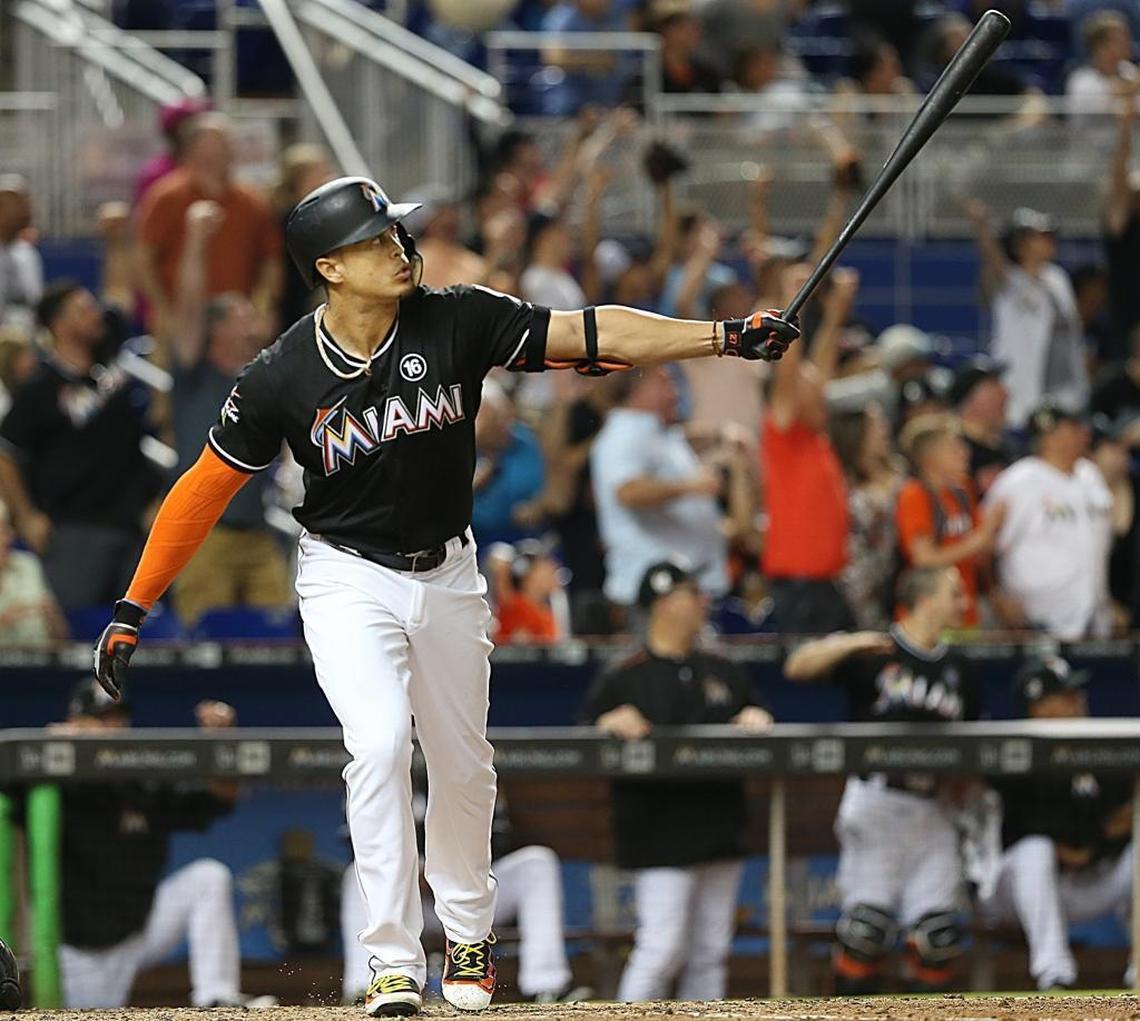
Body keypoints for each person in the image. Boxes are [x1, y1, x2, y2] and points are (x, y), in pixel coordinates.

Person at [91, 174, 799, 1017]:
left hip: (450, 571)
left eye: (395, 232)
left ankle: (467, 930)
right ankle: (392, 961)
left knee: (464, 765)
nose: (397, 247)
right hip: (347, 573)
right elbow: (202, 489)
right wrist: (134, 605)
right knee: (382, 742)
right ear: (329, 267)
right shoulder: (282, 371)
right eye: (375, 239)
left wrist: (721, 336)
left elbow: (587, 332)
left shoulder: (454, 314)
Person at [582, 560, 773, 1001]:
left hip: (719, 825)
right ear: (663, 605)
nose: (701, 602)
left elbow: (756, 713)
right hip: (658, 833)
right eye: (690, 594)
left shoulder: (721, 670)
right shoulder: (625, 673)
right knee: (661, 949)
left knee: (709, 952)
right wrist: (608, 722)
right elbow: (588, 731)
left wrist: (753, 716)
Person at [784, 566, 979, 995]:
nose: (963, 603)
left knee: (938, 939)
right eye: (954, 593)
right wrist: (853, 641)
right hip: (877, 800)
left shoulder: (959, 668)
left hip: (933, 808)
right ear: (925, 599)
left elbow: (972, 748)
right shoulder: (876, 653)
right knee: (865, 933)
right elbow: (797, 667)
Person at [50, 679, 249, 1008]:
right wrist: (51, 749)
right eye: (101, 719)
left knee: (208, 878)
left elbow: (220, 799)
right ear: (75, 724)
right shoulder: (53, 781)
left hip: (140, 927)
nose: (112, 728)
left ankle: (216, 997)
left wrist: (221, 745)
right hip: (78, 948)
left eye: (118, 718)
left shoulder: (140, 782)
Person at [342, 781, 589, 1004]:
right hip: (410, 903)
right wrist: (416, 871)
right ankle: (362, 985)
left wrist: (450, 874)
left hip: (471, 897)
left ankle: (546, 984)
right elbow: (360, 845)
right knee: (356, 874)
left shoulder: (466, 757)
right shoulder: (379, 757)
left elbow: (499, 839)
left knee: (537, 862)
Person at [0, 281, 161, 609]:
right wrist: (26, 516)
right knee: (74, 638)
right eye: (83, 310)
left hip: (135, 526)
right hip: (74, 531)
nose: (95, 315)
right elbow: (6, 452)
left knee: (134, 631)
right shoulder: (39, 389)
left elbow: (123, 295)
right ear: (59, 324)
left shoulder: (112, 366)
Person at [167, 199, 291, 625]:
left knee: (280, 638)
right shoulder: (194, 372)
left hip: (257, 530)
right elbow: (187, 304)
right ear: (215, 328)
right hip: (204, 532)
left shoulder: (263, 378)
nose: (253, 321)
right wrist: (197, 242)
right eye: (242, 315)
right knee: (200, 641)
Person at [979, 656, 1133, 991]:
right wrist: (1099, 832)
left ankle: (1138, 972)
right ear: (1040, 706)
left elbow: (1125, 818)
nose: (1080, 699)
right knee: (1036, 849)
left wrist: (1093, 839)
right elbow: (1038, 830)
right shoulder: (1016, 757)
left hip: (1087, 879)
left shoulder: (1100, 750)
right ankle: (1055, 975)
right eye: (1067, 694)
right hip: (1016, 894)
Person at [761, 266, 857, 633]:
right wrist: (792, 303)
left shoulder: (816, 439)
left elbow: (821, 365)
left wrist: (835, 315)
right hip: (799, 590)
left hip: (825, 585)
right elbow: (789, 371)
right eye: (810, 388)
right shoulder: (784, 433)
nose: (820, 392)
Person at [590, 365, 729, 611]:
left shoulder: (656, 430)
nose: (675, 392)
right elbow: (627, 491)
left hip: (683, 589)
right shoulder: (623, 433)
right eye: (664, 383)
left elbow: (684, 440)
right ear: (637, 389)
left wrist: (722, 436)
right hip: (652, 593)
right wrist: (690, 487)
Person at [135, 113, 283, 336]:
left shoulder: (251, 200)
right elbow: (143, 261)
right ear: (194, 149)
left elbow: (270, 261)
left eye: (228, 144)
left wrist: (261, 308)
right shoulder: (167, 197)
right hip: (181, 321)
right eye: (218, 143)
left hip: (236, 324)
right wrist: (163, 310)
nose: (227, 150)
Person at [986, 399, 1113, 639]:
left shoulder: (1090, 475)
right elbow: (987, 545)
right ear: (1048, 439)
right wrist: (997, 595)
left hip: (1093, 617)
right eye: (1069, 430)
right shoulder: (1017, 482)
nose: (1081, 435)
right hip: (1037, 619)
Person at [967, 201, 1087, 425]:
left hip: (1066, 388)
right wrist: (981, 226)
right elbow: (993, 259)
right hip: (1022, 391)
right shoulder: (1010, 281)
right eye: (1039, 236)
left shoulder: (1057, 278)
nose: (1048, 241)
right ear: (1020, 244)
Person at [895, 414, 1003, 629]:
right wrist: (979, 540)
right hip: (929, 616)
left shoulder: (962, 491)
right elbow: (923, 558)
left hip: (966, 613)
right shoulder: (914, 494)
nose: (964, 453)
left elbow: (981, 552)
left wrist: (993, 593)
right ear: (929, 459)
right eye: (954, 449)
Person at [830, 403, 903, 630]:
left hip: (897, 573)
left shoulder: (899, 472)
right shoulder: (842, 481)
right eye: (875, 425)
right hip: (858, 579)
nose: (884, 429)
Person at [471, 381, 545, 547]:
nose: (504, 426)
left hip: (529, 536)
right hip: (477, 544)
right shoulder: (461, 454)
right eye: (494, 421)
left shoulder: (525, 442)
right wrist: (474, 485)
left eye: (505, 417)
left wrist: (538, 507)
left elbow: (547, 485)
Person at [947, 356, 1015, 498]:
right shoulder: (950, 449)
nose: (1006, 395)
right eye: (993, 387)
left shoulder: (1008, 448)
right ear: (970, 398)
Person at [0, 499, 65, 645]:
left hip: (35, 662)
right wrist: (4, 622)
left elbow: (63, 640)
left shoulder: (27, 564)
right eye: (3, 530)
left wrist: (54, 620)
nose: (10, 537)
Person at [1066, 10, 1139, 124]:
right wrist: (1134, 87)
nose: (1126, 43)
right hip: (1091, 141)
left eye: (1126, 38)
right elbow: (1113, 104)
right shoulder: (1081, 81)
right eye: (1118, 40)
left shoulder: (1129, 70)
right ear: (1099, 47)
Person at [0, 175, 42, 334]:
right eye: (16, 202)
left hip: (22, 344)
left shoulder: (27, 254)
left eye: (26, 202)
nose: (25, 210)